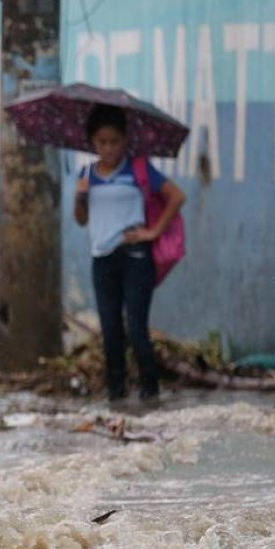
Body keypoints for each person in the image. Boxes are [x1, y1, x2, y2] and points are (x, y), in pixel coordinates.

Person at [74, 104, 185, 403]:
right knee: (110, 332)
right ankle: (117, 396)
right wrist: (80, 196)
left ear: (125, 140)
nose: (108, 148)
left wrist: (153, 232)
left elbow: (176, 196)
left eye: (114, 141)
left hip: (136, 257)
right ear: (92, 142)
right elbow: (81, 219)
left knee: (136, 329)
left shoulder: (139, 169)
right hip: (102, 260)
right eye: (101, 142)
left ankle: (150, 395)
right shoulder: (86, 174)